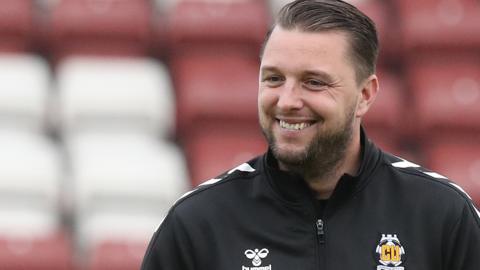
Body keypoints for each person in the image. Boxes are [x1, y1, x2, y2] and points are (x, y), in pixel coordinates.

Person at [141, 0, 480, 269]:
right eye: (273, 79)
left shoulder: (441, 214)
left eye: (314, 82)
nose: (287, 101)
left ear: (365, 95)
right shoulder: (198, 223)